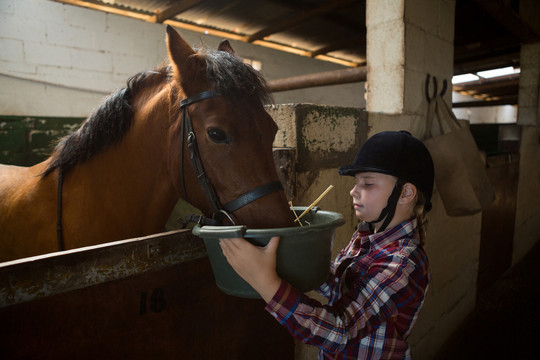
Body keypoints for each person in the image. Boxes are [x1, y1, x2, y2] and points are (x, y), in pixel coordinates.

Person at [219, 130, 434, 359]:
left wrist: (265, 281)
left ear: (406, 193)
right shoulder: (366, 237)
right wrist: (295, 254)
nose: (353, 191)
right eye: (356, 182)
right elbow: (338, 285)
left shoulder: (402, 262)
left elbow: (338, 331)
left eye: (368, 183)